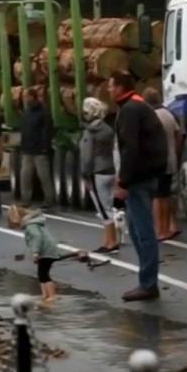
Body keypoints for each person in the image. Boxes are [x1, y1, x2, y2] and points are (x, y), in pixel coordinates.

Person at [109, 71, 167, 302]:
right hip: (146, 175)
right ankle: (146, 279)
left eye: (111, 86)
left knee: (144, 233)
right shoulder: (136, 106)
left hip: (140, 179)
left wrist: (123, 180)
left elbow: (130, 149)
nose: (108, 90)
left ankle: (149, 283)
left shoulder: (131, 110)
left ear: (121, 87)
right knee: (135, 230)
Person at [78, 97, 118, 254]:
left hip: (96, 172)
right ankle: (111, 240)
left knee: (103, 208)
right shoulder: (107, 129)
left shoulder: (89, 132)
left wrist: (85, 175)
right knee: (108, 205)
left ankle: (110, 241)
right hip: (109, 169)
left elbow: (86, 156)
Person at [143, 87, 182, 241]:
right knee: (165, 195)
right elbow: (179, 135)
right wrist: (173, 150)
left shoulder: (152, 116)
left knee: (157, 198)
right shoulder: (168, 114)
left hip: (157, 162)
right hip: (170, 160)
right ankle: (167, 228)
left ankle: (160, 230)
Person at [7, 205, 60, 302]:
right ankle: (46, 294)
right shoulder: (33, 224)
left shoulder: (31, 227)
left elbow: (36, 238)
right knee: (41, 274)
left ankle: (52, 295)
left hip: (46, 251)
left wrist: (36, 252)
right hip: (46, 250)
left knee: (44, 274)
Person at [19, 88, 55, 209]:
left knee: (43, 176)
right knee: (25, 175)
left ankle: (49, 199)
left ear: (32, 97)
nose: (24, 99)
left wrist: (45, 147)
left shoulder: (43, 113)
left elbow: (47, 131)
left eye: (26, 96)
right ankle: (25, 199)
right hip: (28, 149)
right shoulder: (27, 113)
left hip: (39, 150)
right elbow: (24, 130)